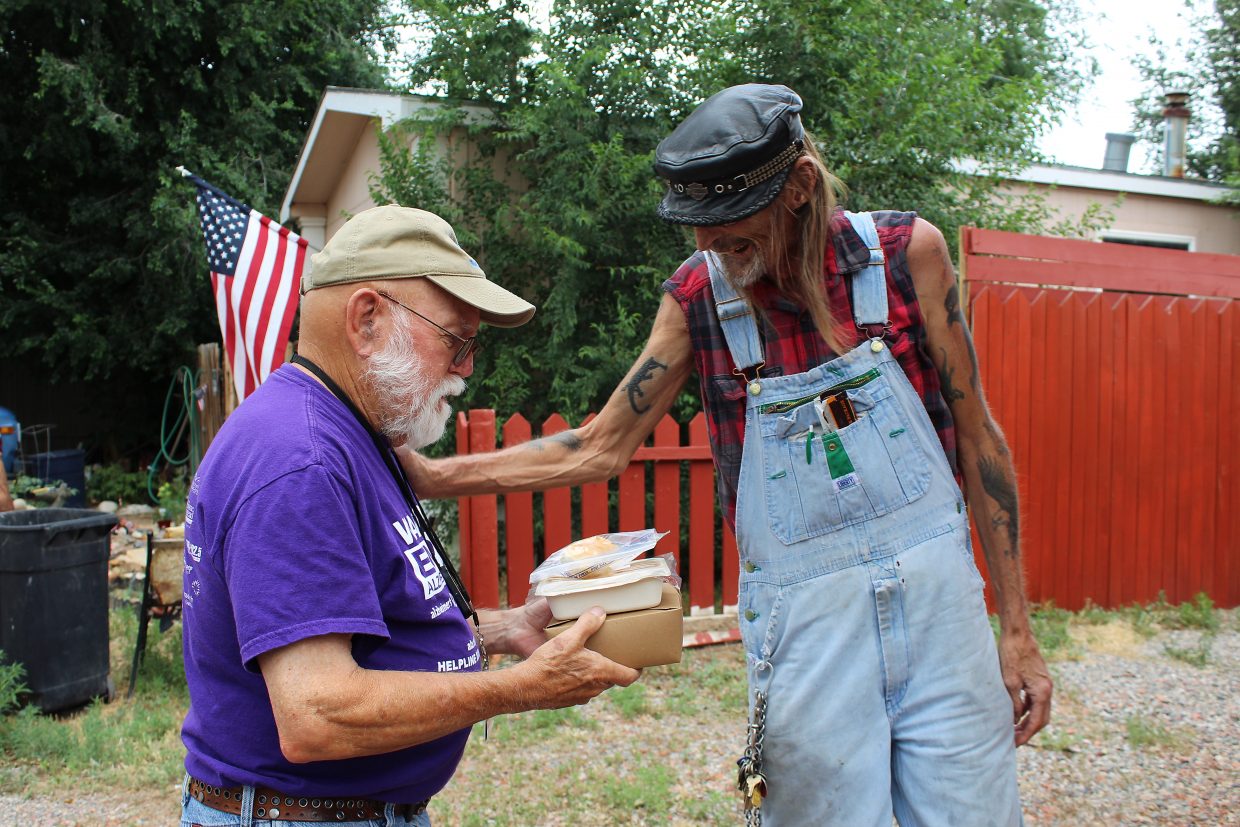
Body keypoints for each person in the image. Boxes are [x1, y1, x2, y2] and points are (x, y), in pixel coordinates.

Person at [401, 84, 1052, 825]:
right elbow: (601, 446)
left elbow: (979, 437)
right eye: (699, 233)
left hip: (944, 620)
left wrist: (1017, 630)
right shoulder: (698, 300)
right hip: (808, 632)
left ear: (799, 186)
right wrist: (430, 476)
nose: (710, 250)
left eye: (733, 234)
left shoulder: (907, 257)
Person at [179, 205, 639, 827]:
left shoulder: (346, 434)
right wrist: (521, 687)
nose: (466, 366)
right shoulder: (301, 459)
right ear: (367, 319)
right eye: (456, 339)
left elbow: (372, 638)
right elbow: (317, 714)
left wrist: (503, 631)